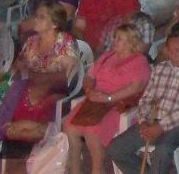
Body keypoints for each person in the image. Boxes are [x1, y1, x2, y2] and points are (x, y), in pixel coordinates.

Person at [107, 32, 179, 174]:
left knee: (162, 151)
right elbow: (146, 99)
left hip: (178, 126)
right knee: (115, 149)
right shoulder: (160, 68)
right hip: (151, 121)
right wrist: (143, 121)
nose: (172, 55)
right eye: (170, 50)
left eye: (177, 50)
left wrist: (161, 126)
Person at [63, 24, 151, 174]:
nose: (114, 41)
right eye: (115, 37)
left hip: (118, 104)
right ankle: (75, 170)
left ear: (131, 42)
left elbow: (136, 87)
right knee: (68, 126)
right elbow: (89, 76)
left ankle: (98, 169)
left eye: (120, 39)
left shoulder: (139, 61)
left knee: (92, 130)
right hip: (95, 101)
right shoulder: (108, 56)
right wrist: (89, 89)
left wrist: (108, 98)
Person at [0, 1, 78, 154]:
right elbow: (18, 66)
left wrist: (39, 79)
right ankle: (23, 134)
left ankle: (28, 133)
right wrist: (2, 79)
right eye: (36, 16)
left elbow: (68, 76)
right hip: (30, 89)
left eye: (41, 17)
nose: (35, 19)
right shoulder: (31, 42)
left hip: (54, 92)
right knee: (13, 99)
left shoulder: (64, 42)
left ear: (55, 24)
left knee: (36, 120)